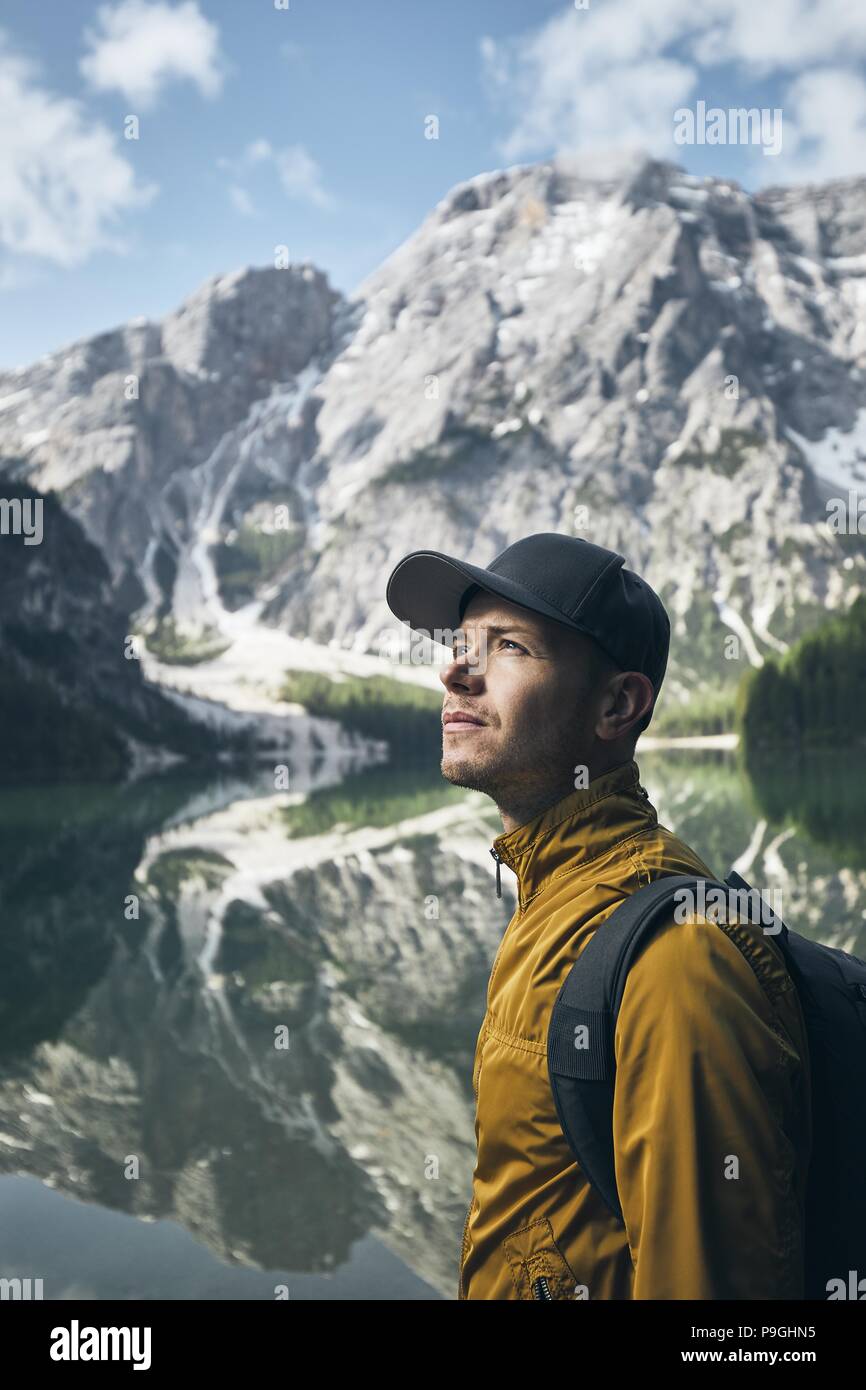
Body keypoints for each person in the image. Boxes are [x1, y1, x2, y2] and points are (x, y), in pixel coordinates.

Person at [385, 532, 811, 1300]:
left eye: (508, 646)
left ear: (618, 705)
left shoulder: (675, 960)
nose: (453, 669)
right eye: (459, 643)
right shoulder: (554, 894)